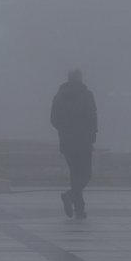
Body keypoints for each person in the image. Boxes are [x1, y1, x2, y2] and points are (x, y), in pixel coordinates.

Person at [50, 68, 97, 219]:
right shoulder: (86, 94)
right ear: (80, 78)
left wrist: (64, 131)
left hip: (67, 141)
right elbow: (92, 117)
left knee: (75, 174)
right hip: (83, 141)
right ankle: (70, 196)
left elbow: (53, 119)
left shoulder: (59, 96)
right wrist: (90, 135)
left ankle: (79, 209)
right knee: (86, 174)